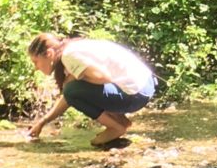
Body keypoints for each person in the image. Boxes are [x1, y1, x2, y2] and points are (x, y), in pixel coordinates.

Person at [26, 32, 157, 147]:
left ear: (49, 54)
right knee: (73, 89)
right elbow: (69, 97)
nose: (36, 68)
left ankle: (116, 127)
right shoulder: (71, 49)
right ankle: (120, 122)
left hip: (136, 94)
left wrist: (70, 81)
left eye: (35, 62)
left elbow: (102, 77)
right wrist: (42, 122)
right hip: (144, 85)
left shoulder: (69, 56)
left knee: (72, 89)